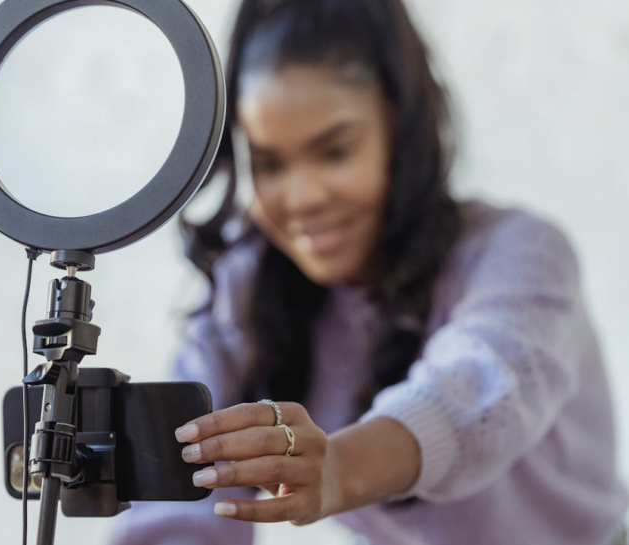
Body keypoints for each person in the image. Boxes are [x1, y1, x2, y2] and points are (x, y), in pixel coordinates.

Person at [109, 0, 628, 543]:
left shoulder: (520, 254)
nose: (303, 198)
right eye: (269, 164)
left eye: (336, 151)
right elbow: (177, 500)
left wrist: (338, 468)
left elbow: (475, 391)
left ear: (399, 130)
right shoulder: (245, 289)